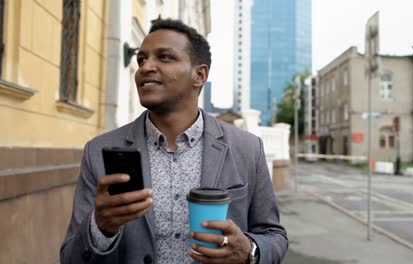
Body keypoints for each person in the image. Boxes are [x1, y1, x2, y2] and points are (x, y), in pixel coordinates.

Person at [60, 18, 288, 264]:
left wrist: (251, 252)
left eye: (165, 57)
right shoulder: (99, 152)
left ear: (199, 75)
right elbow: (70, 257)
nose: (146, 67)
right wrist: (100, 228)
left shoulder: (247, 148)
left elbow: (274, 235)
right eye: (141, 59)